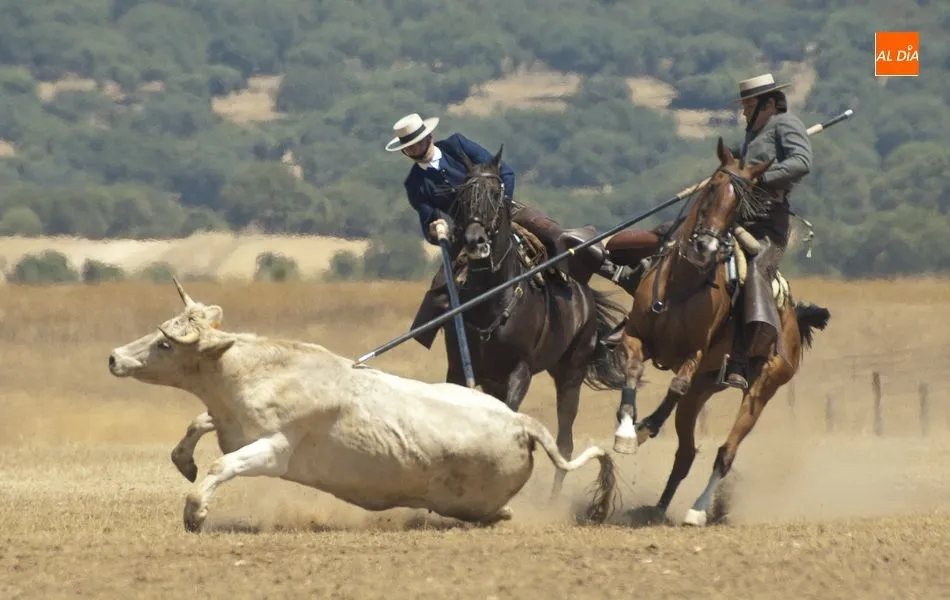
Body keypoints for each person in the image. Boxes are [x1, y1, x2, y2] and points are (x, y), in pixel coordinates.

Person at [384, 112, 632, 348]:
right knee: (440, 284)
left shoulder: (457, 145)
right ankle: (431, 335)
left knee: (556, 234)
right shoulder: (415, 184)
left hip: (505, 210)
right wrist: (437, 230)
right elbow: (428, 219)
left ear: (429, 137)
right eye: (409, 148)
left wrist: (499, 209)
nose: (414, 150)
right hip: (466, 230)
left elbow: (504, 171)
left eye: (417, 143)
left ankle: (615, 270)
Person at [722, 72, 813, 390]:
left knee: (757, 268)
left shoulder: (785, 124)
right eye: (744, 103)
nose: (744, 110)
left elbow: (802, 162)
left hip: (769, 223)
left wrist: (759, 178)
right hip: (737, 217)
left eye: (748, 103)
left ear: (769, 102)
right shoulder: (754, 132)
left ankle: (744, 355)